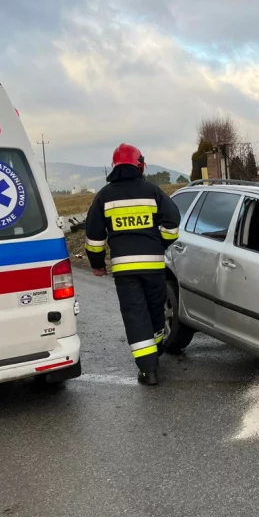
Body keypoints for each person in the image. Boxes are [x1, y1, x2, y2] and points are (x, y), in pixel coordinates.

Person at [85, 144, 181, 385]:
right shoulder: (153, 191)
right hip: (153, 266)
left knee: (135, 315)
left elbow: (94, 237)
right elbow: (172, 222)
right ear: (140, 165)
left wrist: (98, 263)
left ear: (114, 167)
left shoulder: (104, 196)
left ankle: (149, 371)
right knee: (155, 309)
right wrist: (159, 244)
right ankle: (156, 348)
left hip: (125, 270)